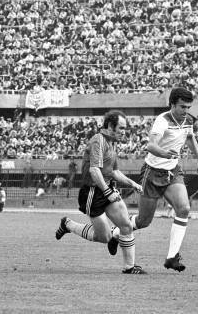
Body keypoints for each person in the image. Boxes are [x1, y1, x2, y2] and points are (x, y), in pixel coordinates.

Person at [54, 110, 146, 274]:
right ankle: (68, 224)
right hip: (93, 192)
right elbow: (94, 170)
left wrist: (133, 184)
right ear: (110, 126)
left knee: (126, 225)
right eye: (122, 128)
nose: (124, 132)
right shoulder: (98, 141)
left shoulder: (112, 143)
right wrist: (107, 192)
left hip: (107, 188)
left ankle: (130, 267)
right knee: (104, 238)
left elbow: (114, 172)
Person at [129, 87, 198, 272]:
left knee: (184, 208)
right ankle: (118, 233)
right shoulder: (162, 121)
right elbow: (150, 146)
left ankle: (172, 257)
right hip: (152, 172)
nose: (185, 111)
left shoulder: (188, 120)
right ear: (172, 104)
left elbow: (190, 139)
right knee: (143, 221)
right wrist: (165, 153)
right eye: (182, 107)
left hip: (172, 171)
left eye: (188, 107)